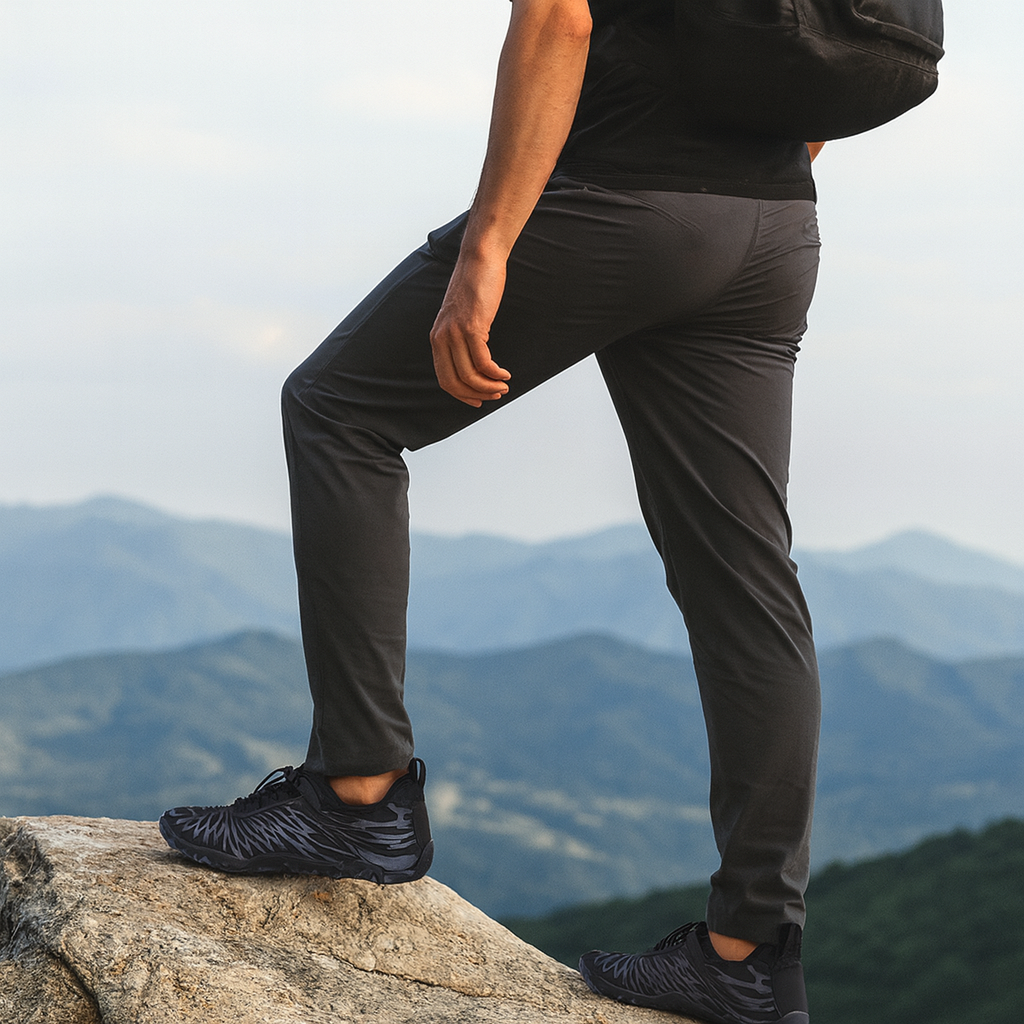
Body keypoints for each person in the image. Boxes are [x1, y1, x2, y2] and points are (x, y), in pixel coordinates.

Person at [160, 2, 822, 1021]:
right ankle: (749, 952)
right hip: (773, 227)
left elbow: (559, 16)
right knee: (744, 581)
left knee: (338, 411)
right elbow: (848, 45)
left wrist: (490, 243)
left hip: (626, 197)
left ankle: (356, 793)